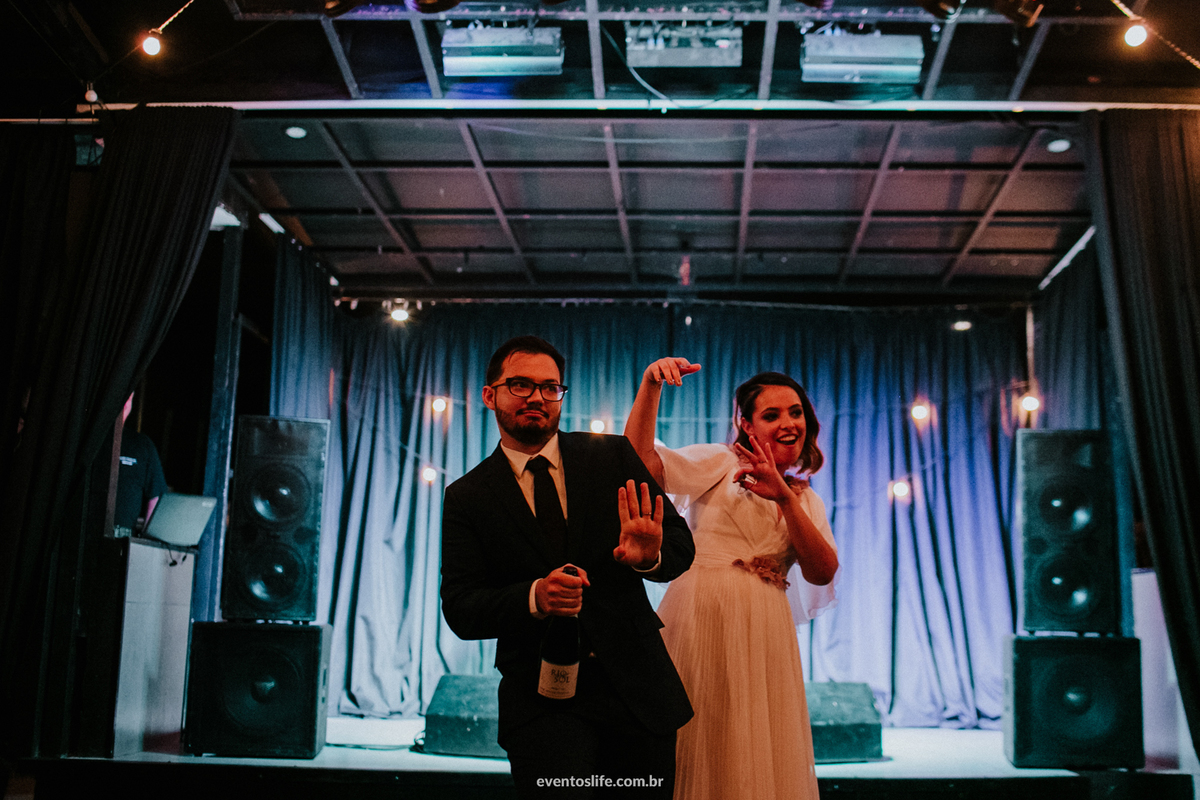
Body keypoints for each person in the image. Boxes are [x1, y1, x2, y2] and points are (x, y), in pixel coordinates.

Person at [440, 336, 696, 798]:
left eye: (549, 387)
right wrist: (535, 596)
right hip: (542, 705)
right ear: (489, 395)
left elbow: (680, 547)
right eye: (520, 385)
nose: (536, 397)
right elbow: (460, 608)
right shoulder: (467, 495)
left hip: (636, 694)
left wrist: (649, 559)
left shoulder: (612, 456)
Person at [623, 358, 839, 800]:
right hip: (704, 614)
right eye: (772, 414)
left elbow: (822, 571)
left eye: (795, 412)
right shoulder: (720, 461)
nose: (788, 423)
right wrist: (650, 386)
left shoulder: (805, 497)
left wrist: (783, 496)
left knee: (758, 742)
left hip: (765, 629)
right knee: (699, 736)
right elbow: (640, 463)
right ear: (745, 423)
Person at [115, 392, 167, 535]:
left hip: (122, 539)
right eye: (123, 396)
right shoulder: (93, 440)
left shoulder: (142, 445)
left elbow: (156, 496)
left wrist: (145, 540)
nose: (125, 404)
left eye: (130, 398)